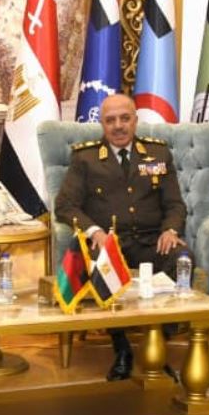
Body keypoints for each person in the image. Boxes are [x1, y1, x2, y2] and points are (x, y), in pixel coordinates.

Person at [54, 92, 188, 381]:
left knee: (182, 259)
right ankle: (122, 348)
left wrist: (171, 230)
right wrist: (95, 231)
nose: (118, 126)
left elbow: (175, 204)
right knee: (101, 265)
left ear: (135, 120)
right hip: (110, 246)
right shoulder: (85, 158)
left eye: (125, 118)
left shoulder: (158, 154)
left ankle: (157, 343)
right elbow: (64, 206)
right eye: (110, 120)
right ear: (102, 124)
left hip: (152, 243)